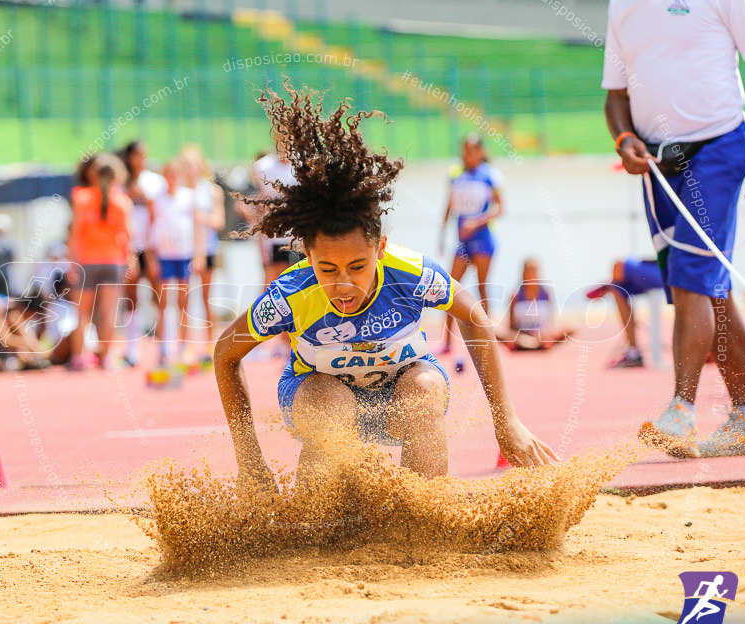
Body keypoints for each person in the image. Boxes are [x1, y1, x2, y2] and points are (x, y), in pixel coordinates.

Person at [214, 86, 558, 495]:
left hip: (401, 393)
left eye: (358, 266)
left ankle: (417, 519)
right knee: (331, 404)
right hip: (320, 396)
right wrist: (249, 460)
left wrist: (507, 422)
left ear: (380, 248)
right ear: (307, 255)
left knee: (425, 390)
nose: (343, 283)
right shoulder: (291, 292)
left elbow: (475, 317)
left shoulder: (409, 271)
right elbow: (225, 354)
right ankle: (316, 523)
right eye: (327, 268)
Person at [603, 0, 745, 457]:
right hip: (656, 164)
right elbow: (615, 96)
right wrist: (623, 138)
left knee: (693, 276)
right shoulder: (622, 5)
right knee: (711, 289)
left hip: (718, 147)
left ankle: (680, 411)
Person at [67, 154, 134, 371]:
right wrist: (130, 260)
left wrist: (72, 263)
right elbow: (127, 236)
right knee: (108, 312)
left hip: (87, 261)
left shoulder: (81, 197)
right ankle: (106, 357)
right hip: (113, 261)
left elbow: (75, 234)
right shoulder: (122, 201)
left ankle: (78, 357)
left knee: (82, 313)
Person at [439, 135, 503, 355]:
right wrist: (441, 233)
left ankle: (488, 339)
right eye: (465, 150)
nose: (468, 155)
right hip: (463, 241)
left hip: (483, 238)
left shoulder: (490, 175)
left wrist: (476, 222)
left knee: (482, 287)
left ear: (481, 152)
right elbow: (449, 205)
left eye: (472, 150)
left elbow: (500, 208)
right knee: (449, 288)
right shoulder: (456, 173)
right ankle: (447, 341)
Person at [152, 160, 204, 366]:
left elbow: (197, 226)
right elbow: (151, 226)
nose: (172, 178)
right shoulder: (157, 199)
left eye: (175, 174)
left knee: (184, 301)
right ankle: (164, 347)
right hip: (164, 254)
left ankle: (184, 345)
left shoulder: (188, 197)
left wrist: (198, 254)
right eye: (169, 174)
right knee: (164, 302)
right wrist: (151, 256)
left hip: (184, 253)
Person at [120, 141, 167, 367]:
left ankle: (165, 350)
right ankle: (132, 350)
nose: (141, 158)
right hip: (130, 247)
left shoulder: (155, 181)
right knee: (131, 297)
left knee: (160, 296)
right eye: (137, 154)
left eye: (144, 154)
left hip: (152, 247)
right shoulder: (121, 182)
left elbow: (160, 213)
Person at [182, 144, 226, 353]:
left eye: (192, 164)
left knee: (207, 297)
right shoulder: (177, 190)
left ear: (200, 166)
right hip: (181, 250)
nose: (189, 168)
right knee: (183, 297)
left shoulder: (211, 190)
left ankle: (210, 344)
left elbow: (219, 221)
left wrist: (200, 217)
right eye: (185, 164)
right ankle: (184, 346)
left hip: (208, 249)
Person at [587, 257, 664, 367]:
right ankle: (633, 352)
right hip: (659, 267)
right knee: (618, 288)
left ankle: (608, 285)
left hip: (669, 269)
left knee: (619, 265)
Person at [496, 259, 573, 352]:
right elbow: (511, 324)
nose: (532, 276)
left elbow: (550, 321)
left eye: (534, 272)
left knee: (570, 327)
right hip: (521, 335)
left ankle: (532, 345)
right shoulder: (515, 295)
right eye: (529, 272)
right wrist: (520, 336)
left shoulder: (546, 293)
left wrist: (543, 334)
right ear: (523, 274)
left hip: (541, 335)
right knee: (495, 330)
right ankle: (530, 344)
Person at [253, 142, 297, 283]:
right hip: (276, 234)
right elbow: (261, 206)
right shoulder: (263, 166)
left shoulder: (304, 164)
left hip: (299, 233)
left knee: (300, 275)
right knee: (276, 276)